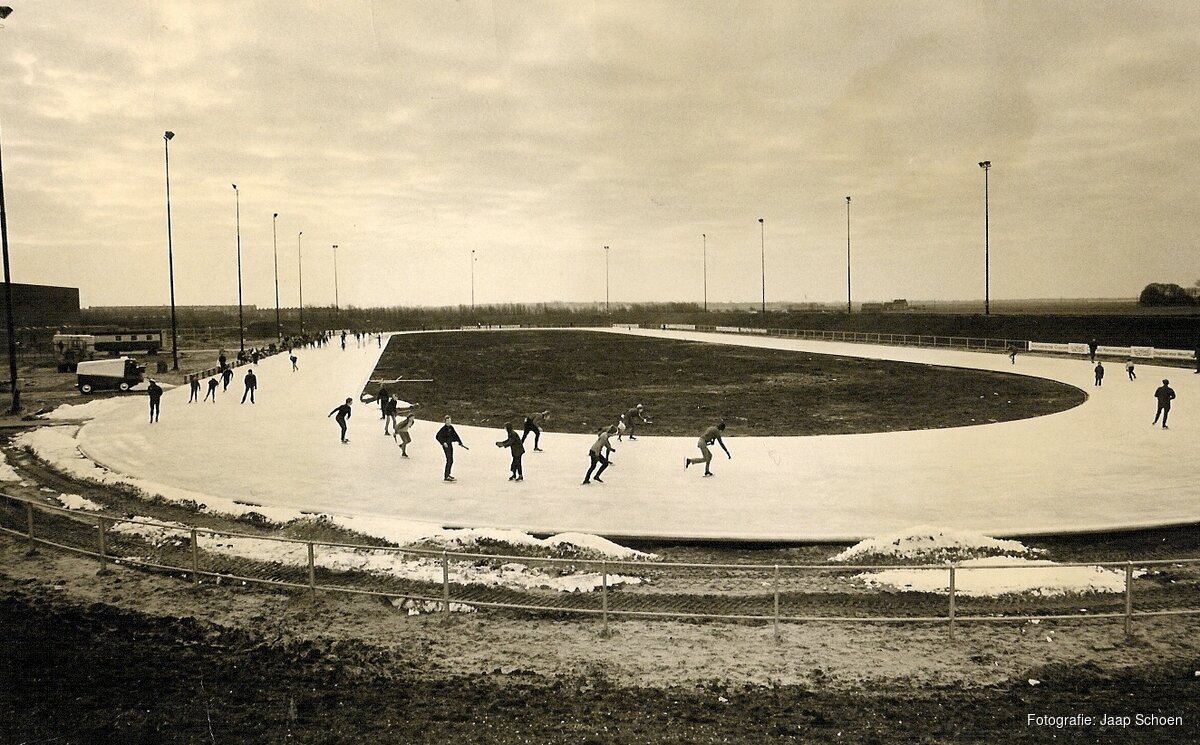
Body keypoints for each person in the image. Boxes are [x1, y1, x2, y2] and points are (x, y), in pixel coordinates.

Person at [436, 416, 468, 481]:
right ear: (445, 421)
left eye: (450, 421)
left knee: (451, 460)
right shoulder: (443, 429)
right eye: (447, 421)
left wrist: (460, 442)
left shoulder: (451, 427)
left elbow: (455, 435)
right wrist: (443, 443)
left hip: (450, 444)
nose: (449, 422)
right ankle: (446, 476)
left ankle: (448, 475)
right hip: (446, 446)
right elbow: (437, 436)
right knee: (449, 460)